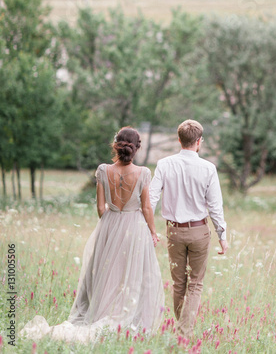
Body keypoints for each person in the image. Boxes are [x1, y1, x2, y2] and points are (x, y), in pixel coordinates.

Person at [20, 127, 164, 343]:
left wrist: (110, 225)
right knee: (133, 274)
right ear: (137, 148)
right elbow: (146, 208)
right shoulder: (143, 173)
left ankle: (99, 312)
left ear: (116, 144)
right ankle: (129, 316)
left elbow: (100, 207)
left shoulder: (103, 170)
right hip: (135, 228)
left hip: (109, 222)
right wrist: (153, 231)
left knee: (106, 273)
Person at [149, 119, 228, 339]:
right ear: (199, 141)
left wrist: (149, 228)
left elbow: (151, 198)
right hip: (199, 232)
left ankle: (183, 331)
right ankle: (184, 334)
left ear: (179, 140)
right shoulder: (208, 168)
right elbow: (215, 206)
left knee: (178, 283)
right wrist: (222, 235)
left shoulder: (164, 164)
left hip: (173, 231)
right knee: (195, 283)